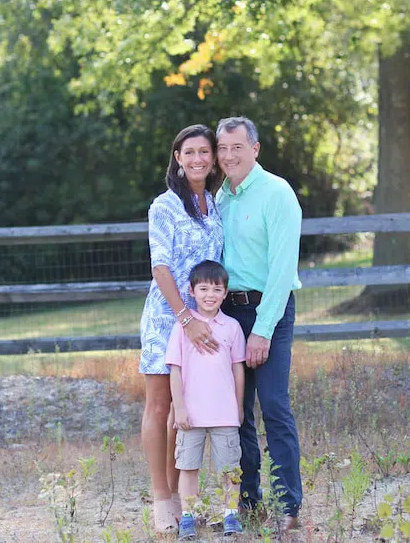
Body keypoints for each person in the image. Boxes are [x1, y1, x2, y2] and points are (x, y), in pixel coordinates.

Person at [215, 116, 303, 531]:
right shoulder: (221, 197)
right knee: (237, 411)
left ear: (255, 149)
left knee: (273, 405)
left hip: (269, 308)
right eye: (223, 148)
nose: (229, 155)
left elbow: (282, 268)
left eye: (237, 147)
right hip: (228, 313)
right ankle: (249, 502)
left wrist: (262, 329)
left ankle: (288, 506)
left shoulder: (277, 193)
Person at [139, 124, 224, 533]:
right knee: (160, 405)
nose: (197, 159)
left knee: (184, 411)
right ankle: (160, 499)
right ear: (177, 157)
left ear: (213, 157)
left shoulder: (214, 202)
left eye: (204, 152)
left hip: (205, 324)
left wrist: (205, 319)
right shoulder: (165, 206)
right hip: (168, 318)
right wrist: (185, 319)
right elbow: (161, 267)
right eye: (189, 152)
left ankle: (179, 496)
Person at [166, 260, 246, 539]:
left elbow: (238, 369)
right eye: (203, 288)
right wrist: (180, 408)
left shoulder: (232, 327)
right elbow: (174, 371)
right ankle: (188, 517)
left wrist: (238, 407)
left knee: (230, 469)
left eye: (217, 289)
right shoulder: (183, 327)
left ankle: (231, 515)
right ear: (191, 291)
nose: (210, 295)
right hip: (191, 415)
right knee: (188, 467)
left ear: (225, 293)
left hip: (224, 412)